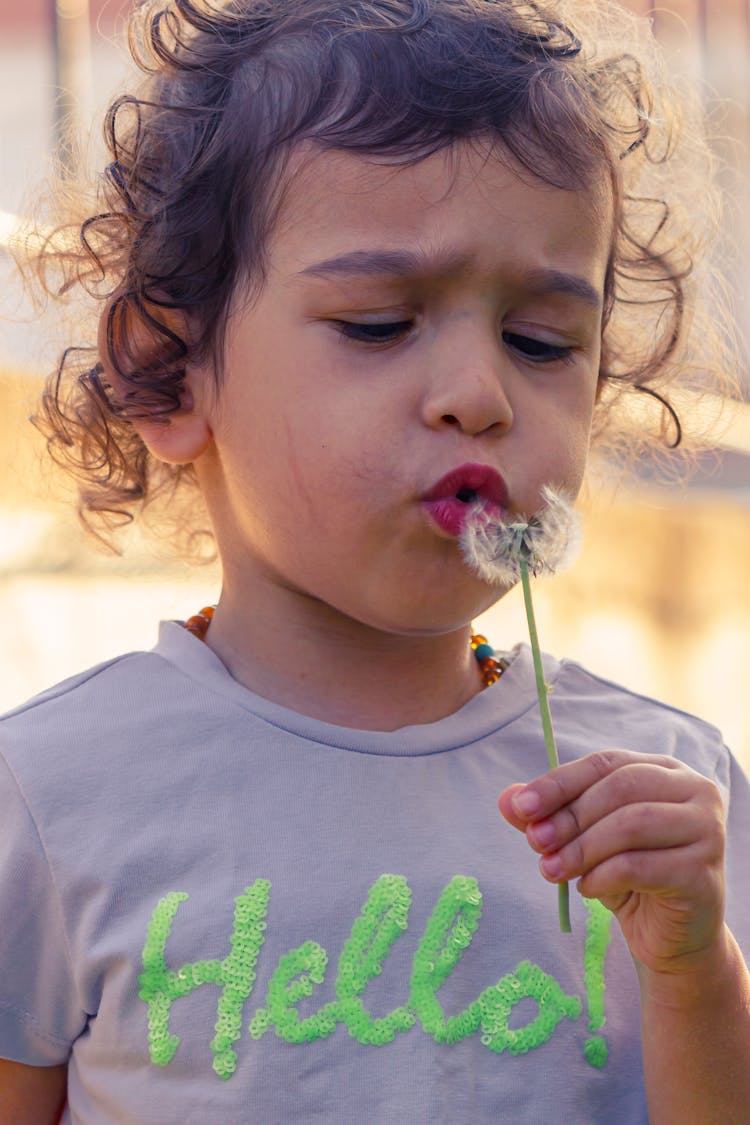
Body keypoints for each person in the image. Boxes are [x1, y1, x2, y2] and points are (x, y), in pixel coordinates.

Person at [2, 0, 749, 1120]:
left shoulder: (670, 795)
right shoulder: (48, 794)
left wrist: (695, 973)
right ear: (166, 371)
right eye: (378, 325)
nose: (478, 397)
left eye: (542, 343)